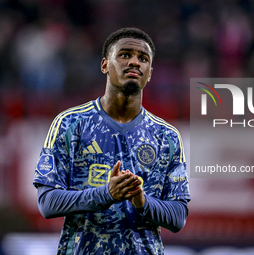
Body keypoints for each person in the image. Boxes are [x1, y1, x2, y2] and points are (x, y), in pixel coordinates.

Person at [33, 27, 190, 255]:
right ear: (104, 65)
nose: (135, 62)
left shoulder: (167, 136)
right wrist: (106, 194)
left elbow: (178, 217)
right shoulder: (69, 124)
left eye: (143, 58)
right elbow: (47, 203)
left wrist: (142, 202)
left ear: (150, 73)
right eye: (125, 54)